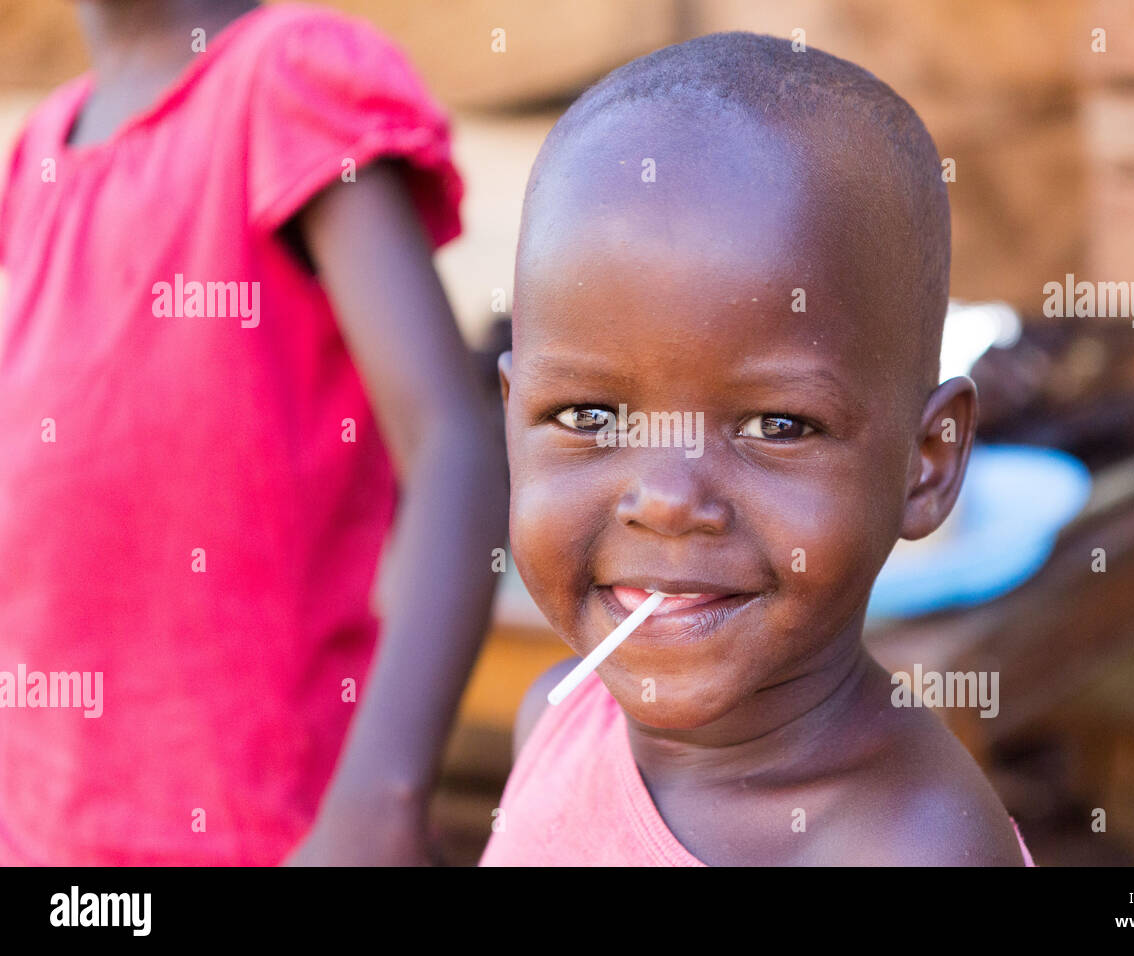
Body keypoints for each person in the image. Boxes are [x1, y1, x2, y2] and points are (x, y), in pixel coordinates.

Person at [481, 32, 1034, 865]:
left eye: (777, 426)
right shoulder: (557, 722)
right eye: (589, 415)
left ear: (927, 462)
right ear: (513, 415)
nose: (665, 498)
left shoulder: (912, 847)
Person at [0, 0, 506, 865]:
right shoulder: (38, 148)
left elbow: (453, 444)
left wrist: (376, 807)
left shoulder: (289, 78)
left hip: (259, 830)